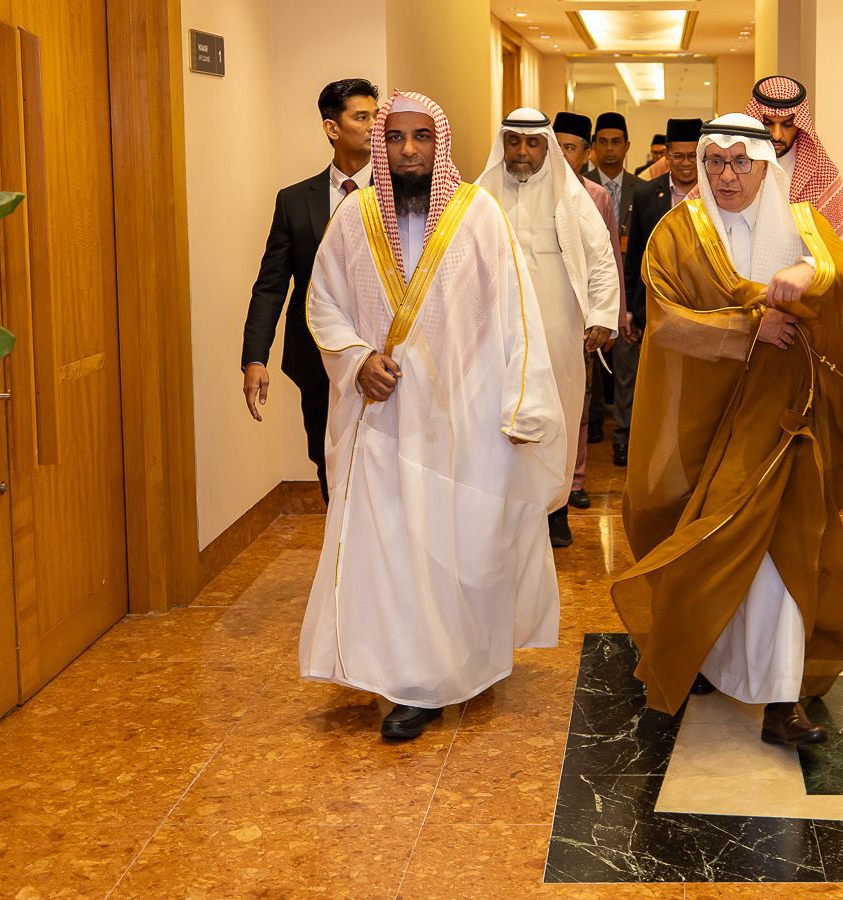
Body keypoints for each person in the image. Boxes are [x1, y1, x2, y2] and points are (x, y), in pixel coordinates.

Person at [611, 114, 843, 746]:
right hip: (705, 422)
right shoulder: (676, 233)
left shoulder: (800, 224)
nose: (727, 176)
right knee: (707, 545)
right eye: (715, 162)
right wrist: (748, 328)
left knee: (783, 554)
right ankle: (702, 655)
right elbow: (667, 324)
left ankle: (781, 701)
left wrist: (811, 273)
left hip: (782, 421)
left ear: (767, 167)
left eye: (742, 162)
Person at [299, 91, 567, 741]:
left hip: (464, 424)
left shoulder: (478, 215)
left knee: (457, 549)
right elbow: (323, 301)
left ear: (440, 143)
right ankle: (410, 682)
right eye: (395, 138)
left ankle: (456, 661)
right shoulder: (354, 216)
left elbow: (517, 312)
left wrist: (523, 403)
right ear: (381, 145)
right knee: (392, 547)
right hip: (381, 422)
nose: (408, 150)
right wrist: (357, 359)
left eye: (421, 137)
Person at [476, 109, 619, 549]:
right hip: (497, 330)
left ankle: (555, 511)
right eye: (514, 142)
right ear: (503, 144)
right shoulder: (482, 194)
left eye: (532, 142)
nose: (522, 151)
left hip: (557, 328)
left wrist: (602, 315)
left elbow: (601, 259)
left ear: (546, 146)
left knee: (558, 415)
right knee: (497, 416)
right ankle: (502, 515)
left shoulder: (570, 195)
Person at [241, 78, 379, 502]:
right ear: (332, 128)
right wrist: (255, 357)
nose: (374, 126)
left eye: (377, 116)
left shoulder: (400, 194)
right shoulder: (295, 200)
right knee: (327, 459)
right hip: (318, 357)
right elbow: (271, 285)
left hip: (384, 354)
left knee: (381, 465)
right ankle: (339, 542)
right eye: (362, 117)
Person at [616, 118, 701, 467]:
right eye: (678, 156)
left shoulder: (715, 192)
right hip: (654, 306)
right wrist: (629, 310)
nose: (685, 164)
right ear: (666, 155)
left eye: (692, 156)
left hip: (699, 308)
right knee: (655, 385)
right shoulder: (646, 194)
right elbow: (635, 255)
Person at [552, 111, 626, 513]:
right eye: (557, 145)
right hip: (541, 316)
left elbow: (610, 260)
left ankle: (575, 480)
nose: (562, 154)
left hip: (581, 319)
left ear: (585, 154)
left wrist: (610, 317)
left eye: (570, 147)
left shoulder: (597, 197)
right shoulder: (530, 191)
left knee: (579, 403)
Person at [745, 74, 843, 244]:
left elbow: (837, 248)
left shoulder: (820, 171)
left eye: (787, 124)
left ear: (799, 125)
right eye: (767, 123)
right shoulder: (736, 164)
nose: (776, 135)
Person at [583, 112, 640, 465]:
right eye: (602, 142)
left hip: (628, 284)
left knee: (626, 364)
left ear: (626, 146)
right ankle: (590, 426)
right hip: (590, 285)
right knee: (589, 360)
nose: (609, 149)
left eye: (615, 142)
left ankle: (623, 434)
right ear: (592, 147)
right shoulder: (579, 186)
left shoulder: (642, 188)